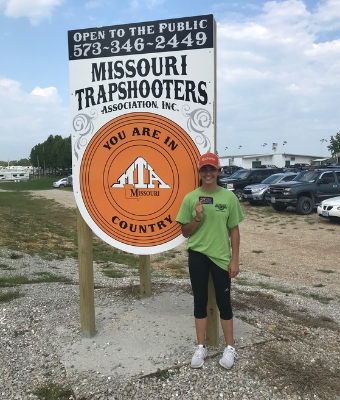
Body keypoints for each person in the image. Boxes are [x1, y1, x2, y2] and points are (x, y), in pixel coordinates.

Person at [176, 152, 244, 369]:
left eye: (211, 169)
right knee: (200, 301)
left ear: (218, 171)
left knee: (224, 303)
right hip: (198, 256)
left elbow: (234, 230)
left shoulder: (229, 197)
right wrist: (197, 218)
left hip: (221, 258)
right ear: (199, 172)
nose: (208, 173)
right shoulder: (190, 198)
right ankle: (200, 346)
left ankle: (230, 348)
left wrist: (235, 260)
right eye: (204, 169)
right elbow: (185, 233)